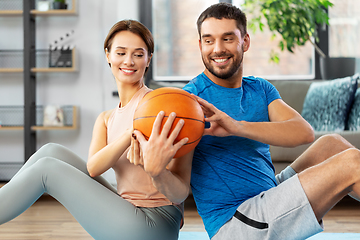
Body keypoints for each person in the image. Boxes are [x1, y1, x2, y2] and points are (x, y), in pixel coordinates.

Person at [131, 3, 360, 240]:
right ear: (200, 45)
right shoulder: (189, 103)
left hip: (268, 196)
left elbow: (304, 133)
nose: (217, 49)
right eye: (208, 40)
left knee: (332, 144)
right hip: (237, 223)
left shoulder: (260, 88)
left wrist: (236, 127)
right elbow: (179, 191)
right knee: (351, 163)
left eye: (228, 39)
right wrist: (157, 173)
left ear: (245, 42)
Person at [0, 20, 191, 240]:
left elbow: (181, 192)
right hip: (128, 209)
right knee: (51, 151)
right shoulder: (107, 118)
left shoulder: (161, 107)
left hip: (155, 224)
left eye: (138, 54)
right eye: (121, 53)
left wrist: (156, 167)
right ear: (108, 55)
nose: (129, 61)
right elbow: (94, 168)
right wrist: (130, 133)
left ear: (149, 59)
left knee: (47, 169)